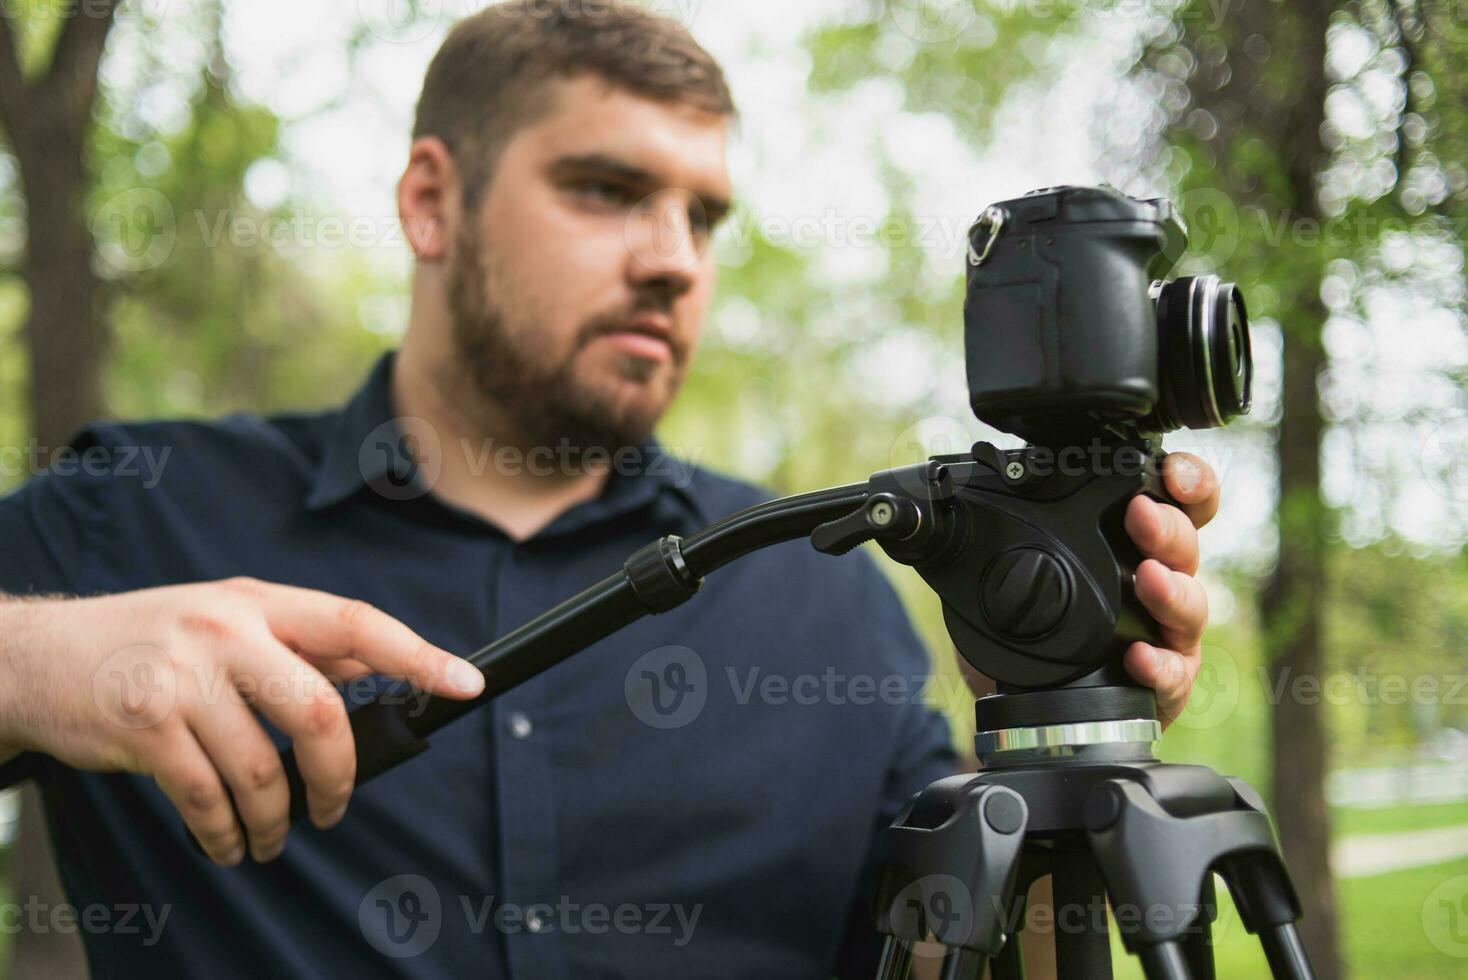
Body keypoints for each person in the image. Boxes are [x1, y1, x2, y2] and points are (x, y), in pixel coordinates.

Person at [0, 3, 1219, 976]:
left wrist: (1055, 741)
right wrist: (39, 660)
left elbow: (963, 945)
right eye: (606, 190)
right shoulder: (133, 518)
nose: (674, 259)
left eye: (704, 215)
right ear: (431, 201)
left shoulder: (829, 594)